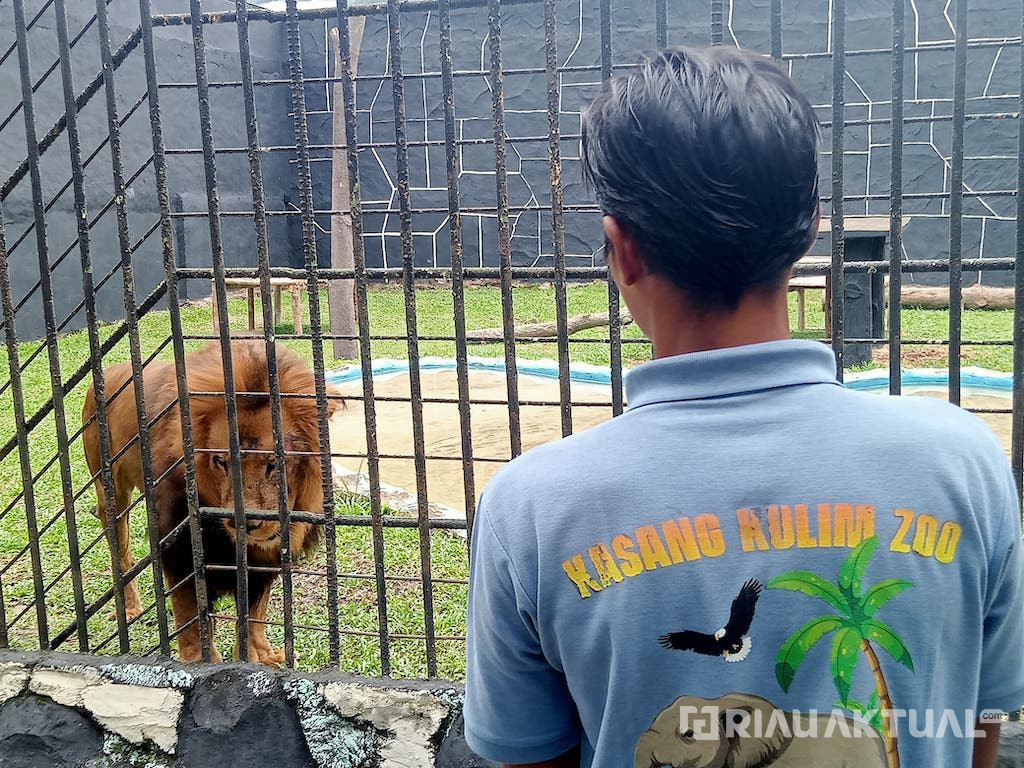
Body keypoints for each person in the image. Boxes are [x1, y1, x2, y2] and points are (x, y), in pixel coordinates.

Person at [462, 45, 1024, 768]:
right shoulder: (964, 461)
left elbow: (527, 757)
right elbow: (977, 732)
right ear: (810, 227)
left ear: (622, 248)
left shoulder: (530, 509)